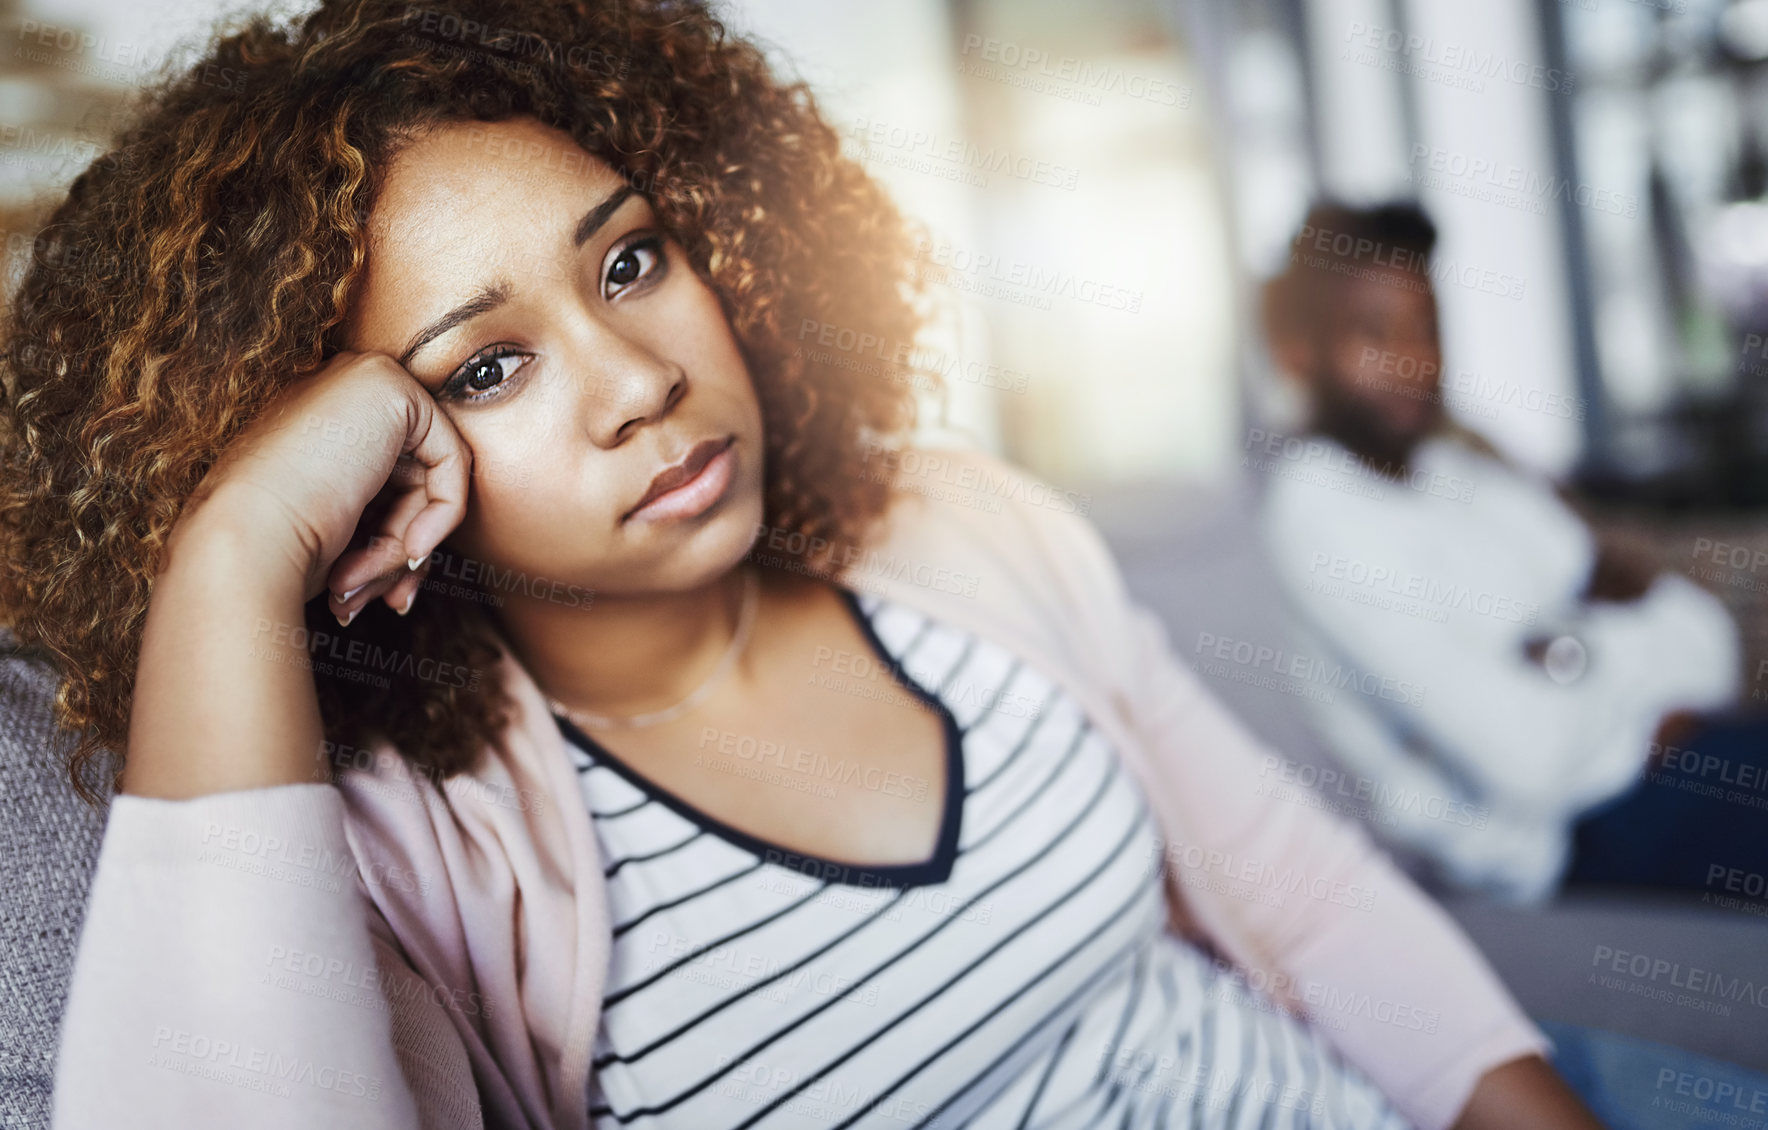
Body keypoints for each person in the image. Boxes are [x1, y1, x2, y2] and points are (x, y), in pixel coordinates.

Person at [0, 4, 1604, 1127]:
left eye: (633, 259)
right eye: (485, 368)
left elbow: (1309, 903)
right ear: (372, 470)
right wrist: (226, 564)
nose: (639, 375)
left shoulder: (958, 522)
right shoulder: (416, 850)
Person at [1258, 200, 1744, 903]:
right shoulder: (1316, 509)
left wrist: (1555, 653)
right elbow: (1529, 762)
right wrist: (1616, 658)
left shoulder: (1457, 471)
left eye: (1427, 327)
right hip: (1575, 844)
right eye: (1375, 333)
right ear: (1296, 352)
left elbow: (1707, 637)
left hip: (1668, 771)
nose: (1416, 360)